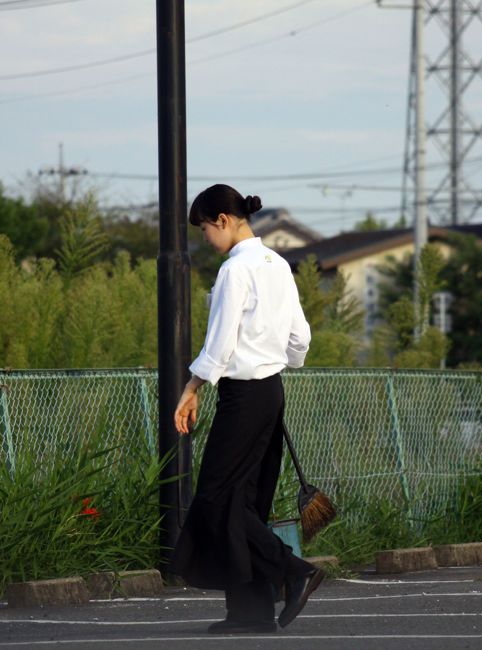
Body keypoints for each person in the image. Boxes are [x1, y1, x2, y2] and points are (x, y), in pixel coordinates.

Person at [169, 183, 324, 634]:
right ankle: (250, 613)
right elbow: (301, 339)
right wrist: (277, 360)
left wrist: (192, 387)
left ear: (222, 220)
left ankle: (295, 571)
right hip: (270, 390)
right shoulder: (277, 264)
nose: (205, 239)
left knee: (218, 498)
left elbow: (220, 341)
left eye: (203, 230)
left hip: (244, 394)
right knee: (247, 500)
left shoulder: (235, 271)